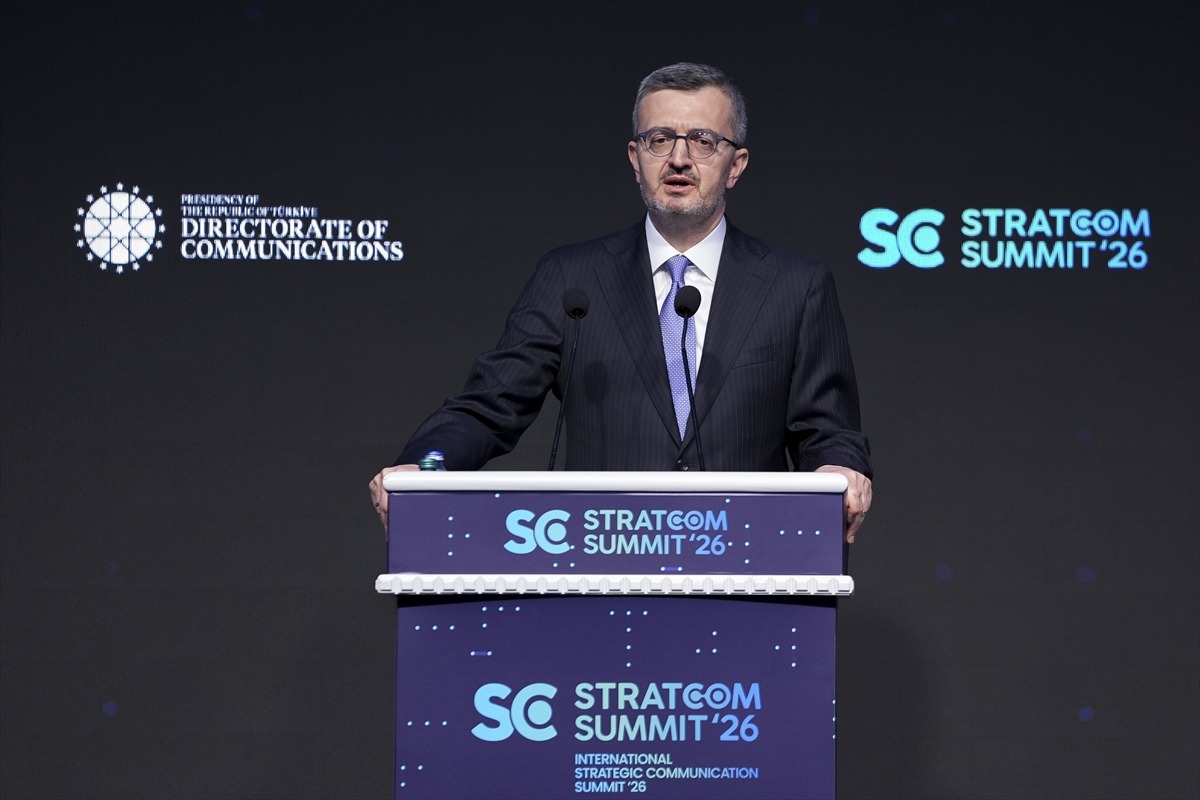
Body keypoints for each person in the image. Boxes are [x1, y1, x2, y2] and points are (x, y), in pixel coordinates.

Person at [368, 62, 873, 542]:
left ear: (735, 165)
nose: (679, 159)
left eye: (702, 141)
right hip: (603, 555)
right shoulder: (572, 278)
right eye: (660, 140)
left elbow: (828, 430)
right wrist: (425, 464)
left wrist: (841, 469)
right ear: (635, 158)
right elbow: (489, 406)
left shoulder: (795, 285)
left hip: (746, 556)